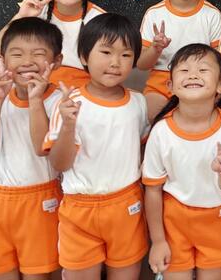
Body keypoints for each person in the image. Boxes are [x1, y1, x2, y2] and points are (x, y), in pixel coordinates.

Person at [44, 14, 150, 280]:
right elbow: (59, 164)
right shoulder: (69, 104)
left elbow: (141, 149)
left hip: (126, 205)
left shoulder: (138, 103)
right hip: (80, 209)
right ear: (83, 55)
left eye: (126, 55)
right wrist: (68, 125)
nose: (115, 62)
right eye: (106, 52)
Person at [0, 18, 64, 280]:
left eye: (38, 53)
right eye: (17, 54)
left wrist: (35, 101)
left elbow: (42, 147)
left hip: (40, 201)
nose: (27, 61)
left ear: (57, 61)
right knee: (1, 273)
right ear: (3, 60)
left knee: (38, 275)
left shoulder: (60, 101)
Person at [143, 44, 221, 279]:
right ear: (170, 86)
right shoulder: (161, 131)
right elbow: (153, 190)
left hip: (217, 222)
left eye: (203, 70)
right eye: (184, 70)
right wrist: (158, 241)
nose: (193, 75)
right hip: (174, 224)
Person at [137, 0, 221, 121]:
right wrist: (155, 49)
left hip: (199, 83)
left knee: (203, 119)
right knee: (150, 117)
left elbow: (219, 64)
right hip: (161, 84)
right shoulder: (154, 14)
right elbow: (142, 65)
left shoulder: (212, 15)